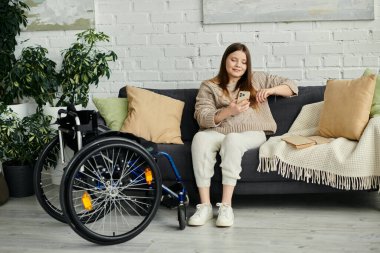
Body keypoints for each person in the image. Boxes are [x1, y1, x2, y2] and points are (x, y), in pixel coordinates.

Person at [188, 42, 298, 227]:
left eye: (244, 62)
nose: (238, 65)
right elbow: (202, 116)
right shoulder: (209, 86)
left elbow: (292, 86)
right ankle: (205, 206)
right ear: (225, 61)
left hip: (252, 132)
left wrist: (271, 90)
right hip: (217, 131)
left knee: (233, 140)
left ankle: (226, 206)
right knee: (200, 138)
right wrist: (229, 111)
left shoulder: (257, 79)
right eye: (234, 60)